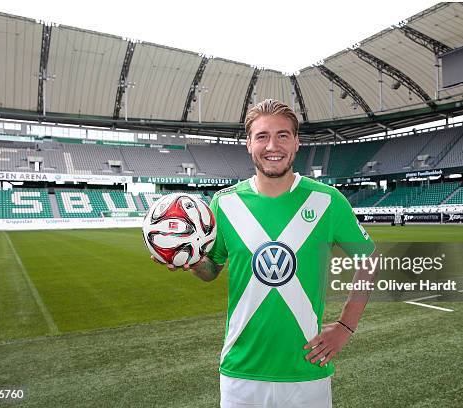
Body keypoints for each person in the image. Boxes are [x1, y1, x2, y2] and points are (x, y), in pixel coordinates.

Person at [156, 99, 376, 407]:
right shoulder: (224, 203)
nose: (273, 145)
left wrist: (345, 326)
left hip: (306, 371)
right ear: (248, 143)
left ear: (297, 142)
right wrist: (189, 260)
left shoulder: (328, 201)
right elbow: (211, 270)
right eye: (262, 136)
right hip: (241, 372)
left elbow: (369, 259)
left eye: (283, 135)